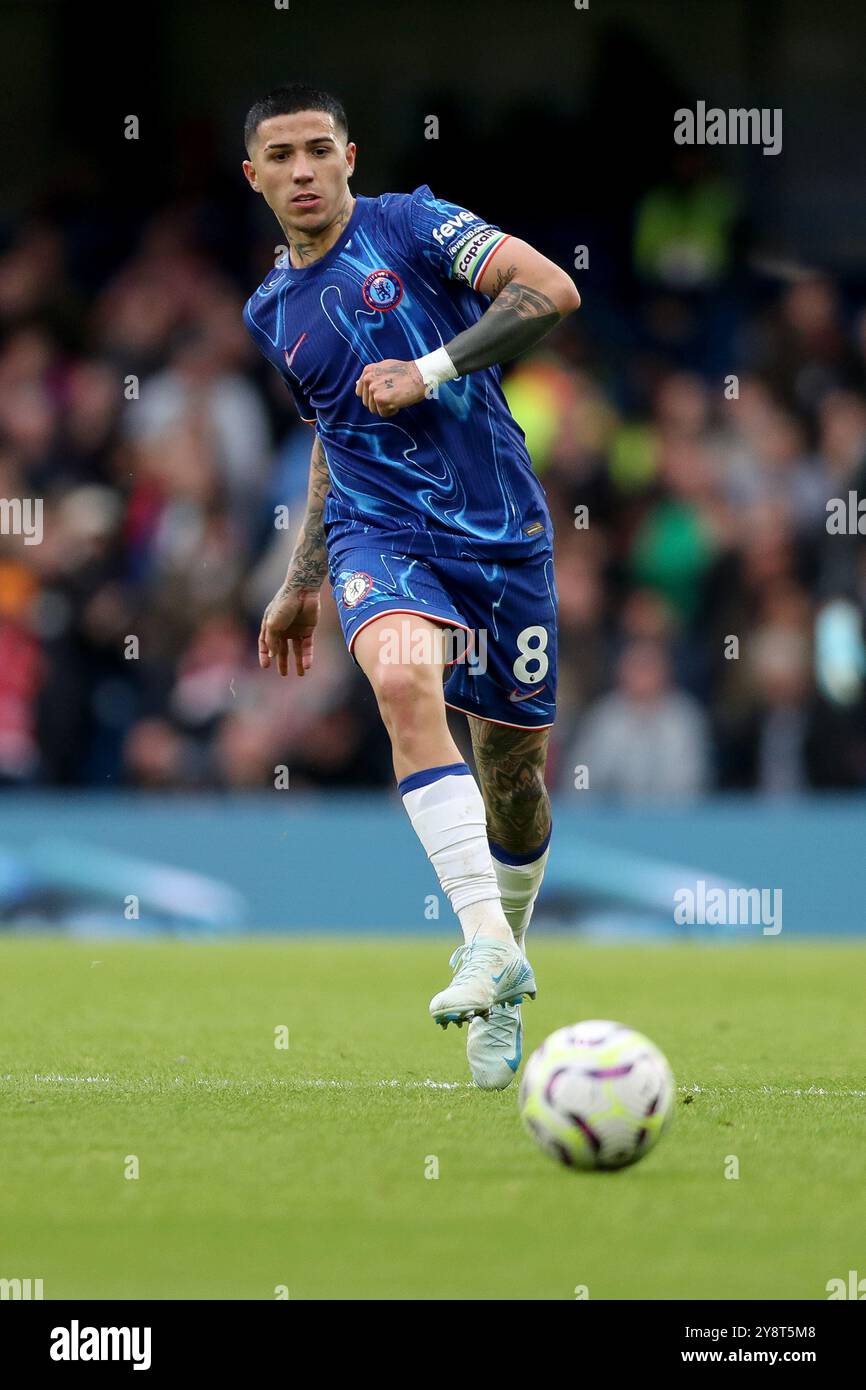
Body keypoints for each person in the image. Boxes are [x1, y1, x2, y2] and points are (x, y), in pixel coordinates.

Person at [241, 83, 580, 1089]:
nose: (301, 171)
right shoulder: (269, 311)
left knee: (513, 783)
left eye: (317, 150)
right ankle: (481, 936)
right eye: (280, 156)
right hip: (377, 535)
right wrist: (303, 579)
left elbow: (551, 291)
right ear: (252, 176)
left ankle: (505, 960)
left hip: (499, 536)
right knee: (398, 680)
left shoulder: (411, 223)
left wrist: (427, 367)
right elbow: (332, 436)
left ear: (349, 155)